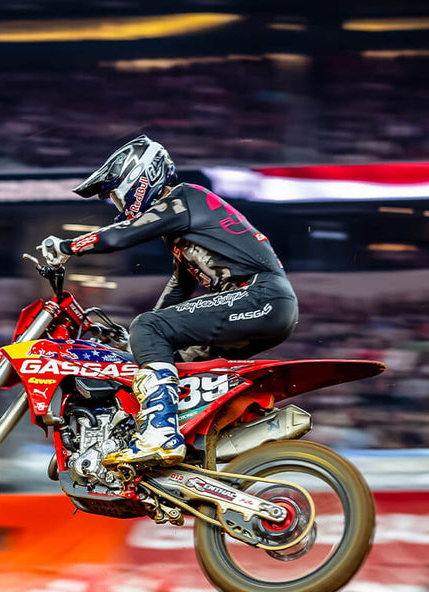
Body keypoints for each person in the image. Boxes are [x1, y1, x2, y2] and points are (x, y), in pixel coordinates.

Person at [38, 135, 298, 468]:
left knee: (148, 326)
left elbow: (123, 234)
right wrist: (141, 341)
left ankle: (160, 434)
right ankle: (191, 452)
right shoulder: (182, 223)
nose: (118, 204)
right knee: (166, 353)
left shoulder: (184, 198)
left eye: (117, 194)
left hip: (258, 296)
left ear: (141, 177)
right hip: (263, 302)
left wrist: (67, 247)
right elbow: (179, 288)